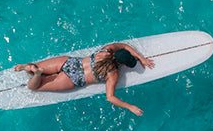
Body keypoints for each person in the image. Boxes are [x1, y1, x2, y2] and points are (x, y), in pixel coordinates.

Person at [14, 42, 155, 116]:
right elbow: (110, 98)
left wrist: (140, 57)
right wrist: (129, 106)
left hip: (70, 62)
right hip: (75, 79)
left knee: (35, 67)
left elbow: (124, 45)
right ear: (122, 64)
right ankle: (38, 75)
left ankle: (28, 68)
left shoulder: (106, 50)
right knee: (33, 87)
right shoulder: (112, 74)